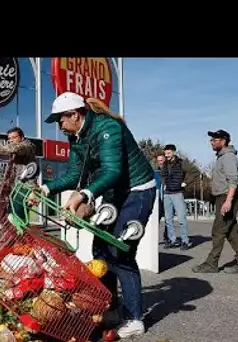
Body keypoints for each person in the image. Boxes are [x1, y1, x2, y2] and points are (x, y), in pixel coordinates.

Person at [42, 92, 155, 338]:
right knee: (100, 251)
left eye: (60, 119)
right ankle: (111, 308)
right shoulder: (77, 137)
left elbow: (113, 171)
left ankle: (135, 318)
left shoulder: (108, 128)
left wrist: (84, 196)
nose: (59, 125)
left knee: (120, 252)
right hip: (116, 193)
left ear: (75, 114)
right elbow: (74, 175)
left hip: (137, 190)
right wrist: (45, 188)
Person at [192, 130, 238, 274]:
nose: (211, 142)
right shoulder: (221, 157)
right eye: (211, 140)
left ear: (223, 141)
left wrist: (228, 201)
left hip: (227, 196)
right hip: (223, 196)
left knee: (218, 229)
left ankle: (211, 263)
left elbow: (233, 180)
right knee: (231, 231)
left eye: (215, 139)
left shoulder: (228, 157)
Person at [0, 127, 39, 226]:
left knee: (17, 216)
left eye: (14, 137)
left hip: (26, 187)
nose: (11, 140)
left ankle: (21, 238)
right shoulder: (14, 151)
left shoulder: (28, 146)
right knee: (13, 216)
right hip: (16, 187)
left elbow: (17, 148)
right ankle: (19, 237)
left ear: (22, 137)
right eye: (9, 138)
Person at [160, 144, 191, 250]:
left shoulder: (181, 163)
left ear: (174, 152)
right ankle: (172, 240)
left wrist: (185, 182)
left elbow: (195, 172)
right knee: (168, 220)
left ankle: (185, 241)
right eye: (165, 153)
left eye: (168, 153)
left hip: (178, 193)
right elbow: (163, 175)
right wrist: (164, 184)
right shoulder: (164, 164)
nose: (166, 155)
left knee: (182, 219)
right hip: (167, 194)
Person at [155, 154, 168, 243]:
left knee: (168, 220)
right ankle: (154, 238)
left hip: (167, 197)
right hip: (158, 199)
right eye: (159, 161)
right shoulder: (155, 172)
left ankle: (167, 238)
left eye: (162, 160)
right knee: (156, 220)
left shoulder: (170, 171)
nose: (160, 162)